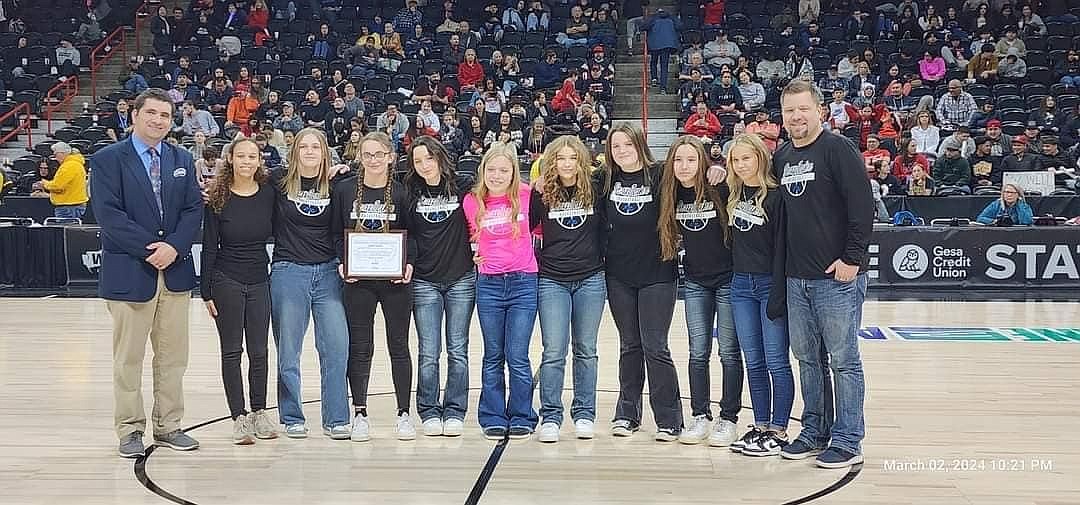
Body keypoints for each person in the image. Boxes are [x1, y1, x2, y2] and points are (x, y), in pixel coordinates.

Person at [89, 89, 204, 458]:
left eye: (165, 115)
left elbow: (192, 211)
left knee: (173, 357)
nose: (158, 121)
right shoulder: (108, 159)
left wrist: (174, 246)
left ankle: (169, 424)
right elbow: (109, 216)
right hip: (130, 272)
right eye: (151, 113)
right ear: (134, 115)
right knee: (128, 358)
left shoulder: (181, 157)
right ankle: (130, 430)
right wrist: (152, 249)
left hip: (174, 272)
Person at [773, 80, 872, 468]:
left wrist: (852, 259)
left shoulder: (837, 148)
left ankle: (848, 439)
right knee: (808, 360)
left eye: (803, 109)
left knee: (843, 360)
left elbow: (862, 207)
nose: (796, 117)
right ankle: (814, 430)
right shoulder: (781, 156)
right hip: (796, 279)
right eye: (789, 111)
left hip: (837, 278)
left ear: (820, 111)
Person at [330, 132, 417, 442]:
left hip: (395, 282)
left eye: (379, 154)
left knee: (399, 346)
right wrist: (343, 262)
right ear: (359, 157)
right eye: (367, 154)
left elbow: (414, 233)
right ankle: (360, 413)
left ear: (390, 156)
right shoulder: (343, 190)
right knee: (361, 346)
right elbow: (335, 234)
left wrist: (408, 263)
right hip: (358, 281)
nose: (373, 160)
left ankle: (404, 414)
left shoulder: (403, 191)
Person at [656, 135, 741, 446]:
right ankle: (700, 415)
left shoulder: (719, 185)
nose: (684, 166)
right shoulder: (671, 192)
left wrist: (723, 169)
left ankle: (728, 418)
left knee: (729, 352)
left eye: (691, 160)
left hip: (728, 280)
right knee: (698, 352)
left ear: (703, 161)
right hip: (694, 282)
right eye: (678, 160)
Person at [603, 123, 683, 441]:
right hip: (619, 275)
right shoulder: (605, 178)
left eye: (627, 144)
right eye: (615, 146)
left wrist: (716, 171)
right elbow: (571, 184)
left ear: (640, 144)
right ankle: (627, 413)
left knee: (655, 345)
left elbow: (692, 175)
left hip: (658, 274)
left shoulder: (661, 173)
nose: (621, 150)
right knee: (629, 345)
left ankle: (669, 419)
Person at [270, 127, 352, 440]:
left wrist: (344, 170)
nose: (308, 152)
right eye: (303, 147)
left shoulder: (338, 184)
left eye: (315, 147)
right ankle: (291, 416)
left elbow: (366, 185)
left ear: (324, 152)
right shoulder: (278, 183)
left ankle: (336, 418)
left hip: (329, 272)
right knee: (288, 351)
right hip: (289, 271)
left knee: (335, 348)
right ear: (294, 152)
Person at [530, 136, 607, 443]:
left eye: (572, 158)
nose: (566, 164)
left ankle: (584, 413)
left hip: (590, 278)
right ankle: (550, 416)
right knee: (554, 351)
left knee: (586, 350)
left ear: (581, 161)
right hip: (552, 280)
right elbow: (521, 227)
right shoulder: (541, 193)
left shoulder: (596, 188)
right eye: (560, 158)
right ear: (551, 162)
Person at [200, 137, 277, 445]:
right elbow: (208, 247)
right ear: (230, 158)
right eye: (241, 156)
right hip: (226, 280)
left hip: (260, 278)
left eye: (253, 156)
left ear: (260, 160)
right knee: (232, 351)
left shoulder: (270, 193)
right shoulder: (217, 196)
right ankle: (239, 417)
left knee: (259, 351)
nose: (247, 161)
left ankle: (259, 410)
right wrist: (205, 290)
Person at [463, 142, 539, 440]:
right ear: (483, 171)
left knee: (517, 354)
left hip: (523, 282)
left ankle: (522, 414)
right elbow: (467, 237)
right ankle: (492, 415)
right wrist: (472, 253)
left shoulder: (527, 195)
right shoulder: (472, 201)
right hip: (489, 286)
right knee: (493, 354)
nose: (497, 175)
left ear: (513, 172)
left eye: (504, 170)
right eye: (491, 169)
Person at [405, 136, 476, 437]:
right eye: (418, 161)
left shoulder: (463, 184)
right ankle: (429, 408)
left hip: (461, 277)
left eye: (428, 159)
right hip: (424, 280)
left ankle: (455, 409)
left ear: (440, 157)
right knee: (428, 350)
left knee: (458, 349)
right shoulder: (409, 189)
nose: (424, 165)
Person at [33, 142, 88, 219]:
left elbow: (57, 186)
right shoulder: (76, 164)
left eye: (55, 154)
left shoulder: (68, 166)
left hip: (68, 207)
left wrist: (44, 183)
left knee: (66, 230)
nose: (55, 158)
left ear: (61, 153)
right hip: (73, 205)